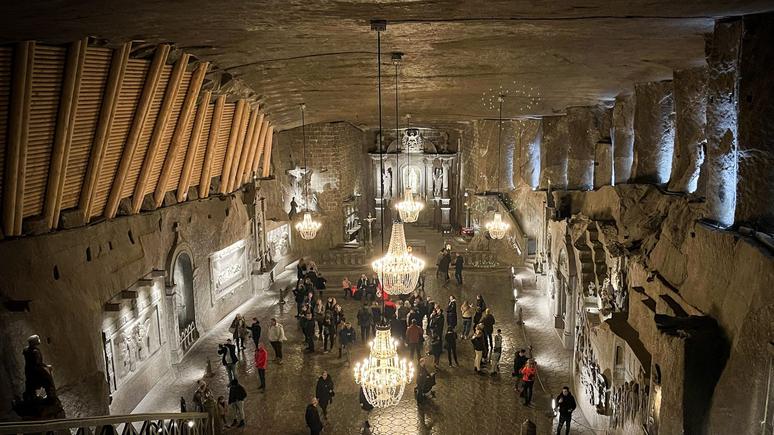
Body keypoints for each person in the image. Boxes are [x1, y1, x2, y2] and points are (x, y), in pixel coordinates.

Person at [22, 335, 57, 401]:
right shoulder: (35, 351)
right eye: (37, 339)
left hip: (28, 370)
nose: (39, 340)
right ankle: (50, 397)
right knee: (47, 381)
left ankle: (32, 397)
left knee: (30, 383)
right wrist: (46, 366)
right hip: (37, 370)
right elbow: (38, 363)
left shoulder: (26, 350)